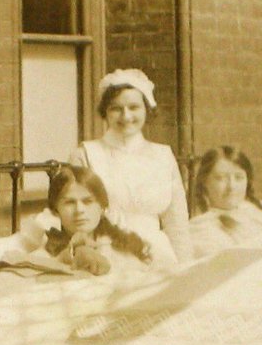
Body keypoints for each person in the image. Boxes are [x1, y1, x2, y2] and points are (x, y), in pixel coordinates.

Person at [69, 69, 191, 267]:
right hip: (104, 255)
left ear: (147, 109)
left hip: (157, 255)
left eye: (134, 107)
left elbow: (176, 223)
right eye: (116, 108)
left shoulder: (163, 156)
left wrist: (185, 268)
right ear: (105, 112)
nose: (126, 116)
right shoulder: (86, 154)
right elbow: (72, 217)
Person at [0, 165, 153, 276]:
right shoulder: (45, 254)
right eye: (69, 202)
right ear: (55, 210)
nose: (79, 210)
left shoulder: (126, 250)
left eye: (87, 201)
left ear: (102, 207)